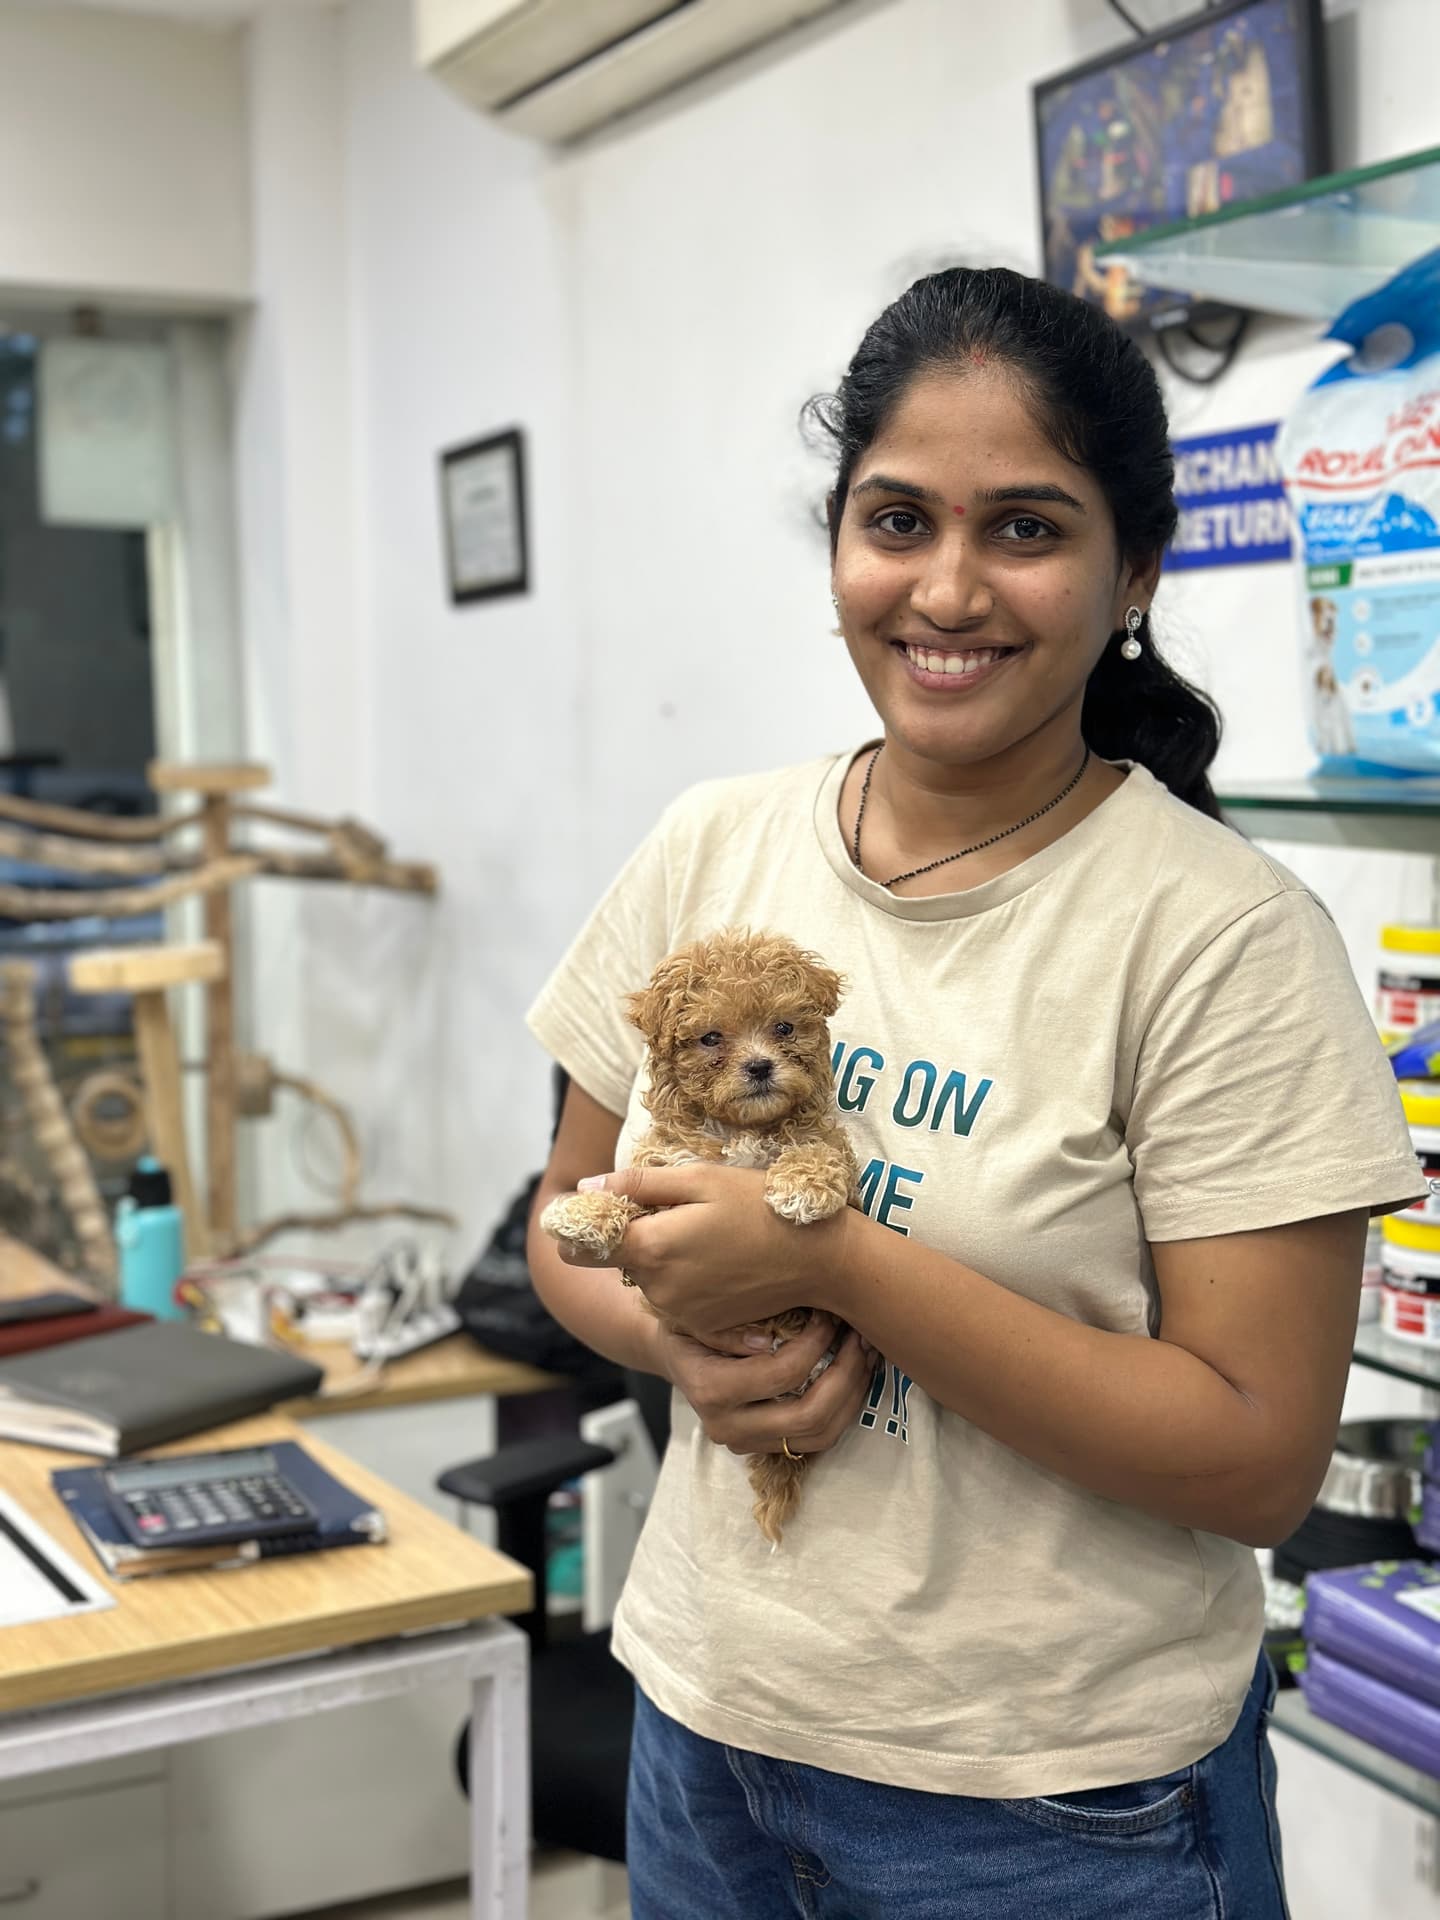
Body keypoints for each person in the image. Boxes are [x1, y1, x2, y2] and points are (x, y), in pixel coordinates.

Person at [525, 265, 1424, 1920]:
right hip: (706, 1728)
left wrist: (834, 1265)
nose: (947, 589)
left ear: (1134, 569)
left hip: (1055, 1813)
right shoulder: (709, 844)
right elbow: (560, 1230)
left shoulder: (1222, 939)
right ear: (840, 549)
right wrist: (692, 1349)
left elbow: (1257, 1458)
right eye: (897, 520)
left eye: (1025, 527)